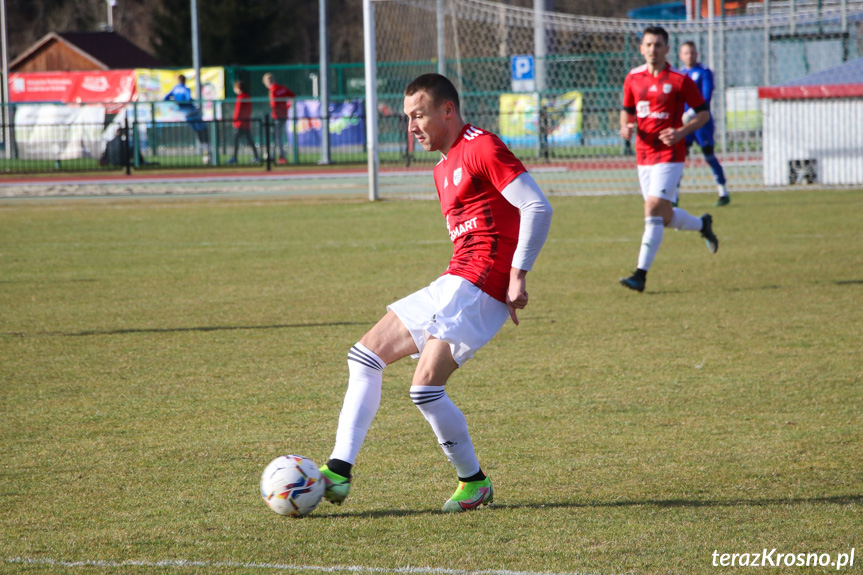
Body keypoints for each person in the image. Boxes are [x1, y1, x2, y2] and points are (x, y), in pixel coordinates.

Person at [319, 73, 553, 512]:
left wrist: (517, 276)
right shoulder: (442, 167)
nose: (412, 126)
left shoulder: (482, 146)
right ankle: (338, 471)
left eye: (419, 114)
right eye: (408, 117)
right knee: (364, 356)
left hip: (480, 284)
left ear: (448, 110)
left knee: (424, 389)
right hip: (455, 280)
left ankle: (473, 482)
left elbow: (536, 206)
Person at [619, 26, 720, 293]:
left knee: (652, 208)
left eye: (658, 45)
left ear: (667, 49)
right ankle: (702, 224)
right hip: (643, 154)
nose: (653, 49)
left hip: (670, 154)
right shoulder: (633, 78)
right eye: (648, 44)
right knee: (662, 216)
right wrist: (625, 128)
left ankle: (640, 275)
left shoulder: (679, 79)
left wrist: (681, 132)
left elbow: (703, 114)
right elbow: (627, 111)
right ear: (641, 48)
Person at [679, 41, 730, 207]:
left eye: (692, 53)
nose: (690, 56)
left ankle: (723, 192)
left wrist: (691, 113)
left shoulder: (704, 72)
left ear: (697, 54)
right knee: (678, 158)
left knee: (709, 156)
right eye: (686, 53)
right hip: (685, 124)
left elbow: (706, 98)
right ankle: (673, 195)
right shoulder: (679, 74)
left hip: (701, 121)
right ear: (681, 55)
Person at [163, 74, 210, 164]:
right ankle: (207, 153)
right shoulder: (186, 89)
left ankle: (206, 154)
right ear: (185, 81)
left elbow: (165, 98)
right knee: (203, 132)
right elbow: (188, 99)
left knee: (198, 133)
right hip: (194, 113)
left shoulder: (175, 89)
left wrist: (175, 101)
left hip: (187, 115)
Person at [262, 73, 295, 164]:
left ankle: (281, 156)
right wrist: (287, 106)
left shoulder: (273, 90)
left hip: (277, 116)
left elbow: (273, 104)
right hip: (284, 115)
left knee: (277, 137)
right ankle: (275, 154)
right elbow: (292, 96)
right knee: (277, 136)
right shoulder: (282, 88)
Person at [227, 80, 261, 164]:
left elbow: (238, 111)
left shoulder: (240, 97)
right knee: (250, 140)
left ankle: (234, 158)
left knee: (236, 141)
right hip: (246, 122)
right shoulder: (247, 97)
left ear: (237, 88)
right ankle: (256, 156)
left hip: (239, 123)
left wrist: (235, 120)